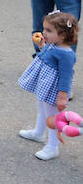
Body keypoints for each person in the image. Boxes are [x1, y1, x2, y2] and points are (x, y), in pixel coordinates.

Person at [18, 12, 78, 161]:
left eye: (49, 31)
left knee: (53, 118)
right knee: (42, 109)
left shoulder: (66, 54)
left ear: (63, 35)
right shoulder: (53, 44)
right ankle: (38, 133)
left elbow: (66, 76)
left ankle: (52, 147)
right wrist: (41, 45)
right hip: (45, 84)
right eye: (44, 29)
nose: (44, 32)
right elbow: (45, 55)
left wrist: (62, 96)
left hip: (54, 89)